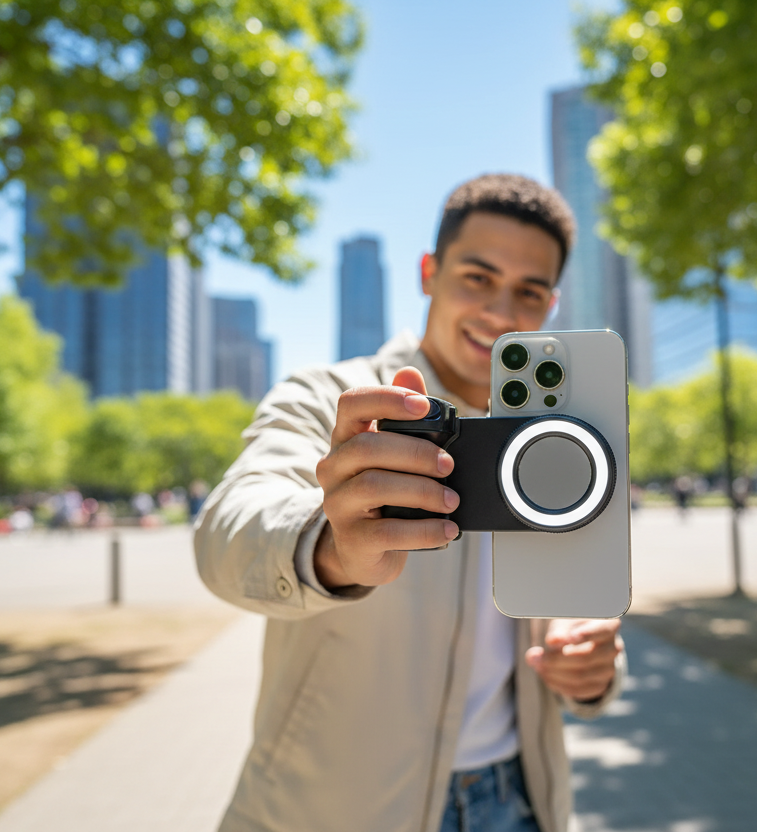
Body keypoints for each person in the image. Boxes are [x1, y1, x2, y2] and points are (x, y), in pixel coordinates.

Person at [194, 174, 626, 832]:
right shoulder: (333, 398)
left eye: (529, 292)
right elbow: (226, 534)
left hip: (521, 801)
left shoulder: (560, 438)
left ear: (552, 305)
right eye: (477, 277)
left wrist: (592, 671)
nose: (501, 312)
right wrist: (328, 548)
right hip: (340, 810)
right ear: (430, 271)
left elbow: (572, 610)